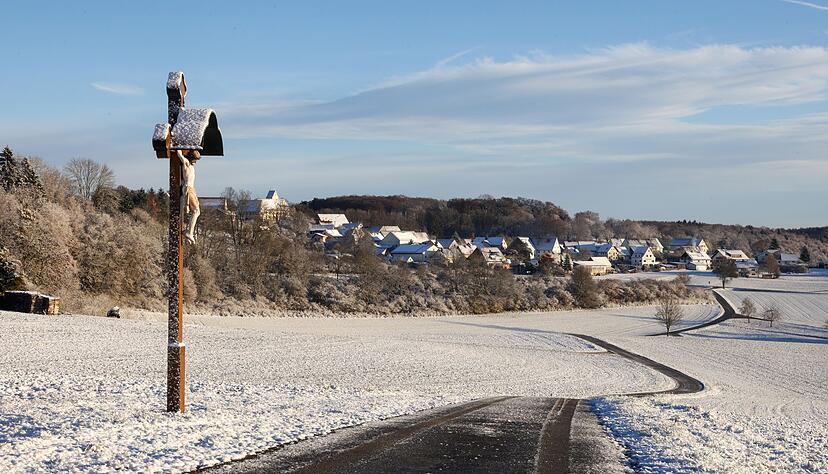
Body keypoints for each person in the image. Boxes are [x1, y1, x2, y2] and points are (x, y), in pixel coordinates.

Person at [175, 150, 200, 244]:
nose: (195, 162)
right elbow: (179, 154)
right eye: (194, 159)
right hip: (188, 189)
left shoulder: (191, 166)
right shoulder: (186, 163)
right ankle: (189, 233)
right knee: (196, 211)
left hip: (191, 189)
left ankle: (189, 232)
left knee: (195, 212)